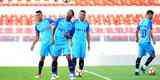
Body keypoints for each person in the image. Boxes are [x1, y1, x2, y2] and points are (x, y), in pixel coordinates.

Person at [135, 10, 156, 76]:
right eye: (151, 15)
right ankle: (143, 67)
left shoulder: (141, 22)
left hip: (141, 42)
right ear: (148, 14)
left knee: (139, 56)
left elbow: (136, 31)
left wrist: (137, 39)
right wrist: (153, 39)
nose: (152, 16)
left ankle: (136, 71)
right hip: (146, 42)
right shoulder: (149, 22)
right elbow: (150, 32)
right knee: (153, 55)